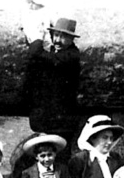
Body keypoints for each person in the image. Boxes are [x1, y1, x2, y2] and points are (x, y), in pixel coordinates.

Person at [23, 18, 82, 148]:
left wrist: (37, 38)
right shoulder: (55, 53)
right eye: (56, 35)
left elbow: (36, 53)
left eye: (63, 37)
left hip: (62, 123)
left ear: (72, 39)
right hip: (48, 119)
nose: (57, 40)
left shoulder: (71, 56)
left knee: (60, 156)